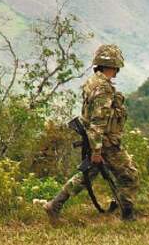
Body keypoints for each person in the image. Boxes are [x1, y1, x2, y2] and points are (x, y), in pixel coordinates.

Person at [43, 44, 139, 221]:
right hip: (106, 142)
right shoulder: (102, 88)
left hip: (98, 140)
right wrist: (97, 150)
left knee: (86, 176)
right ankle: (128, 215)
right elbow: (98, 121)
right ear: (114, 64)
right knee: (129, 175)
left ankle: (54, 205)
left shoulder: (93, 82)